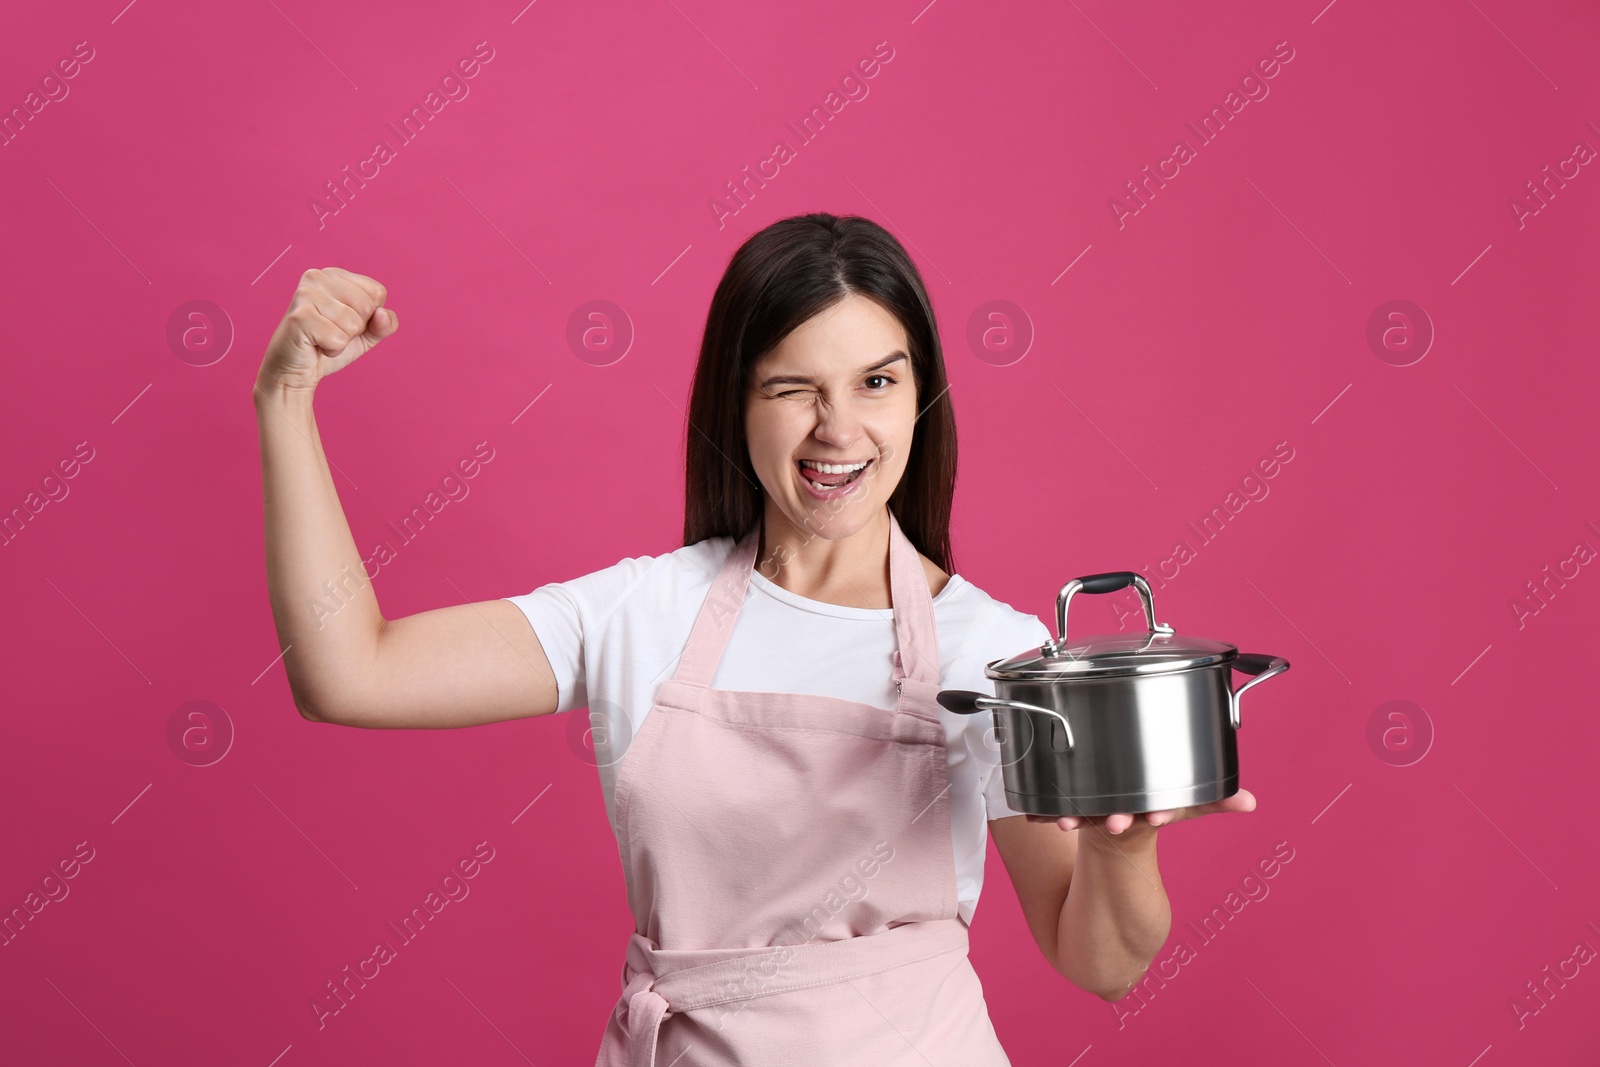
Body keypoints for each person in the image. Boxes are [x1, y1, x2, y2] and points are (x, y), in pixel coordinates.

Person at [252, 212, 1253, 1063]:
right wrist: (286, 399)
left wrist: (1129, 847)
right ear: (737, 401)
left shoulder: (990, 647)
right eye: (792, 388)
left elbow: (1099, 960)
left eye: (876, 382)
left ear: (920, 397)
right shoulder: (640, 611)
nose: (838, 429)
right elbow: (349, 671)